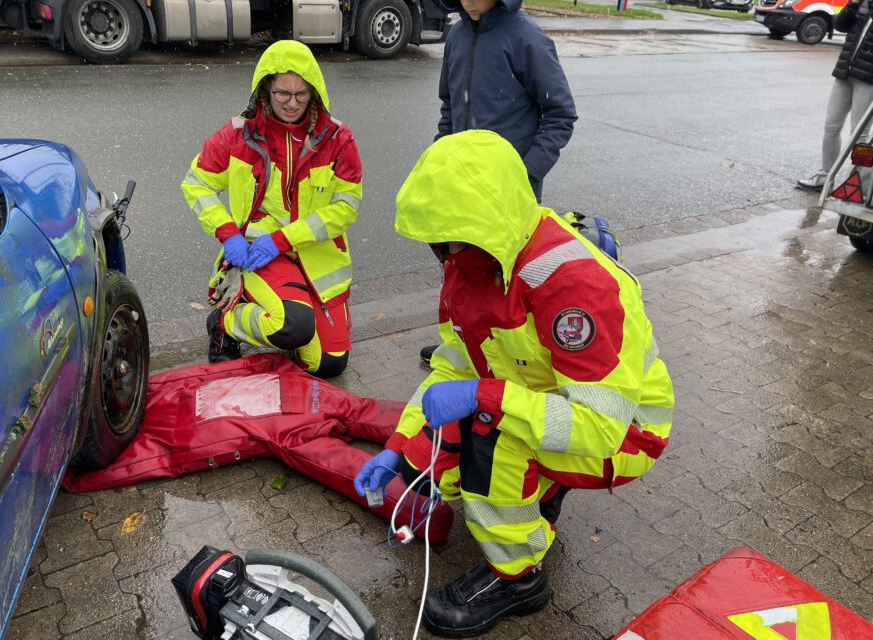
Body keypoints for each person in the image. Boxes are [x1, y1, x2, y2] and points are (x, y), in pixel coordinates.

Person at [354, 130, 675, 638]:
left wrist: (485, 398)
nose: (442, 252)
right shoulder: (474, 261)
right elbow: (453, 368)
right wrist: (397, 446)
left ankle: (518, 578)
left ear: (483, 220)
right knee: (439, 457)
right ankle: (541, 492)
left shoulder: (572, 284)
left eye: (449, 237)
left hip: (626, 431)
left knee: (487, 446)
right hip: (556, 401)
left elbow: (599, 429)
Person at [181, 40, 362, 378]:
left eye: (301, 94)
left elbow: (345, 208)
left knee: (329, 363)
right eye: (282, 93)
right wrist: (228, 233)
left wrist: (282, 240)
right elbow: (196, 183)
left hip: (311, 257)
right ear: (265, 88)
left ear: (314, 91)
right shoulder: (238, 134)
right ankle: (225, 324)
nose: (292, 103)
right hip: (259, 256)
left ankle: (289, 314)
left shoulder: (338, 138)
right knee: (292, 326)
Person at [419, 0, 577, 364]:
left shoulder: (527, 38)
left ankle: (509, 358)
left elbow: (560, 114)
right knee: (460, 269)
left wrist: (525, 174)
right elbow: (450, 106)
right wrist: (443, 156)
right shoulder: (457, 36)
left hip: (510, 189)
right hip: (463, 183)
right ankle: (462, 345)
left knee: (506, 276)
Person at [798, 0, 873, 191]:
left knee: (859, 134)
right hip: (844, 71)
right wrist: (853, 4)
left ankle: (858, 185)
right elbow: (840, 25)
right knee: (831, 125)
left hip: (868, 77)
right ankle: (825, 177)